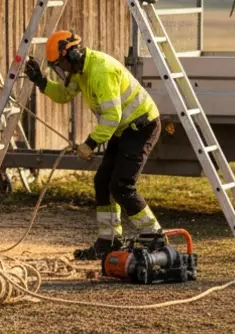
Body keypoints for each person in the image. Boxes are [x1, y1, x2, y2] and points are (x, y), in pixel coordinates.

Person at [23, 30, 164, 260]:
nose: (63, 71)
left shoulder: (101, 71)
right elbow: (63, 95)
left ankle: (154, 236)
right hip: (123, 128)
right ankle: (109, 241)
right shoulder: (80, 71)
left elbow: (112, 116)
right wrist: (40, 81)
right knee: (102, 182)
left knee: (121, 185)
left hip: (141, 126)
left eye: (62, 65)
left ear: (74, 55)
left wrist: (89, 144)